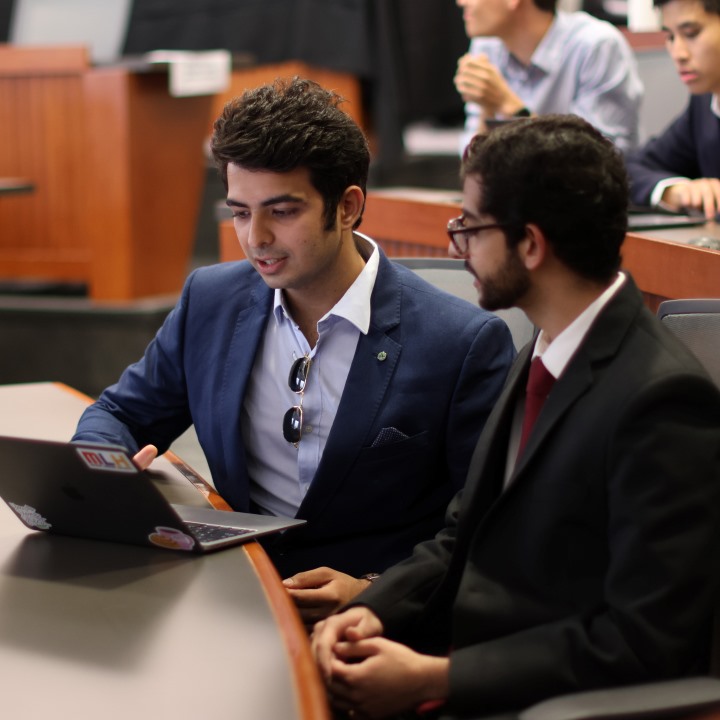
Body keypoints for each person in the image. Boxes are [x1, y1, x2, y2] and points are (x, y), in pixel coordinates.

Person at [312, 115, 720, 719]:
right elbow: (462, 535)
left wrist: (436, 676)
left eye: (470, 228)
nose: (458, 246)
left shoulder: (661, 400)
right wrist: (369, 612)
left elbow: (644, 641)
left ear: (530, 244)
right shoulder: (543, 347)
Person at [71, 77, 515, 624]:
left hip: (373, 622)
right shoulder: (211, 299)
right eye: (239, 212)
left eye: (282, 212)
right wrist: (107, 477)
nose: (255, 237)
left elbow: (486, 527)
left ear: (348, 206)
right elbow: (118, 413)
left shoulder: (463, 342)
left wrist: (374, 590)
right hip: (234, 592)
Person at [454, 0, 643, 153]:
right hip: (513, 193)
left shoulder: (596, 46)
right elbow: (472, 166)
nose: (461, 2)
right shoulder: (487, 46)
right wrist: (486, 109)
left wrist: (509, 106)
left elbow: (598, 160)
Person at [626, 0, 720, 219]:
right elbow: (632, 169)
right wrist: (675, 190)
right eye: (670, 37)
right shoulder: (703, 105)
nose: (678, 53)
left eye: (691, 33)